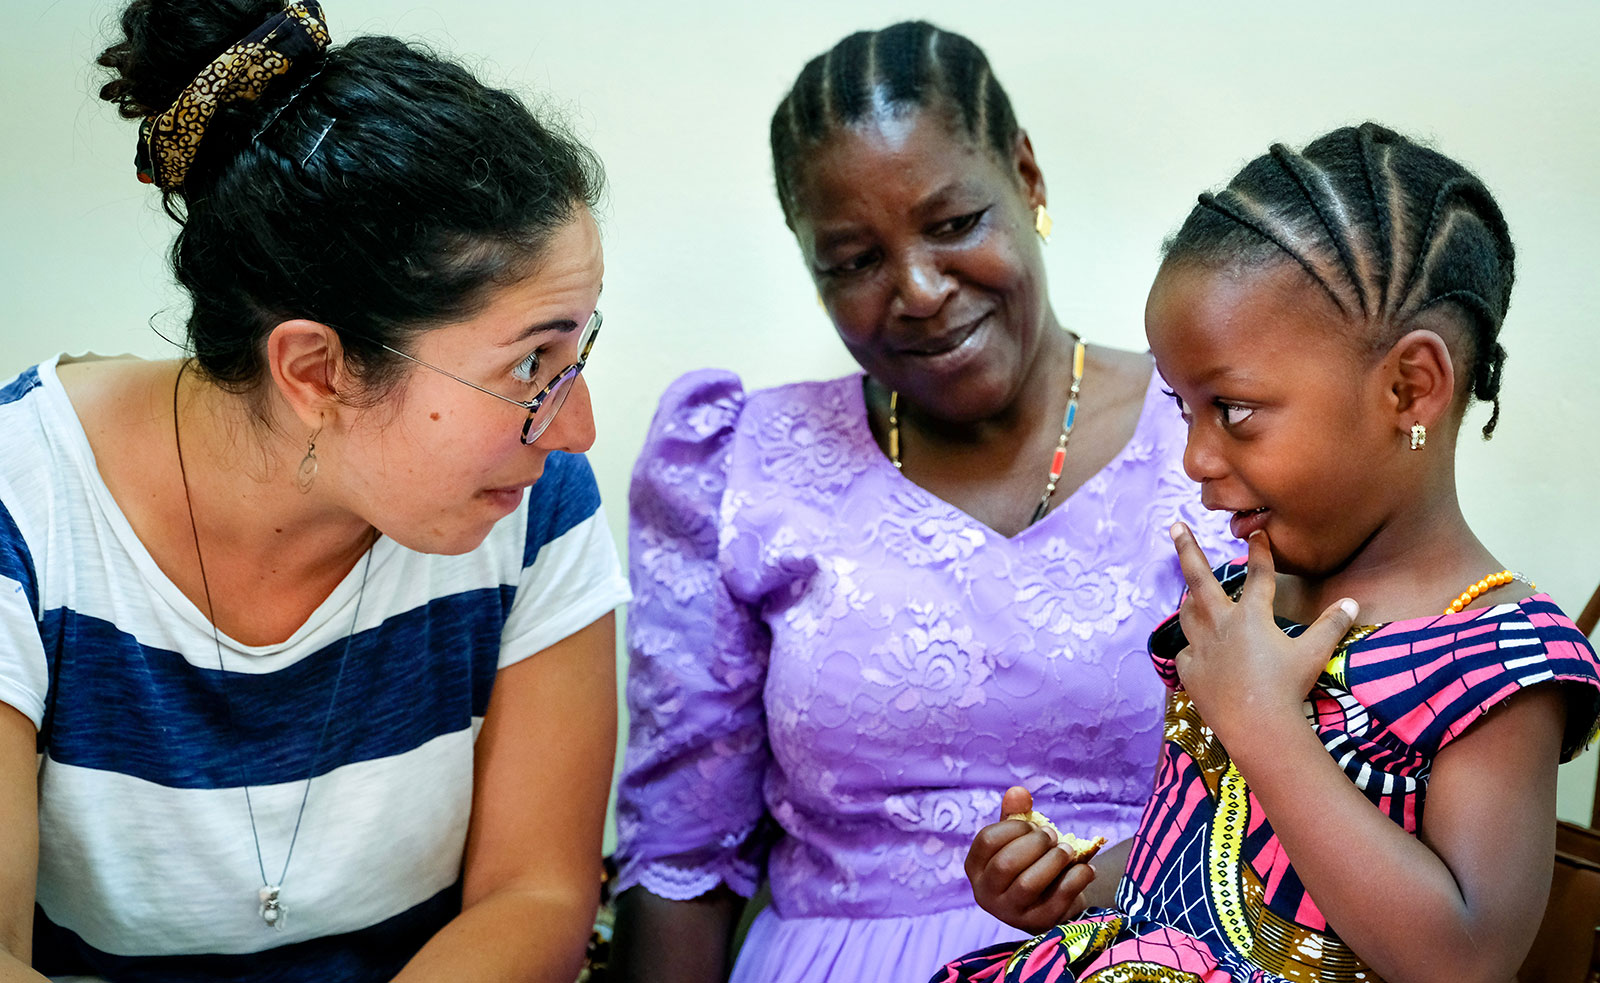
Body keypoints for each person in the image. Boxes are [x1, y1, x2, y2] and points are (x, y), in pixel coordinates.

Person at [0, 2, 628, 980]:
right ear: (316, 370)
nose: (575, 427)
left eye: (575, 349)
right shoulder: (25, 503)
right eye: (528, 363)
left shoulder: (531, 501)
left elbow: (537, 893)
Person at [610, 21, 1236, 983]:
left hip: (1162, 956)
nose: (918, 288)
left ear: (1027, 178)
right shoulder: (739, 467)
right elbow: (681, 856)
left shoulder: (1210, 432)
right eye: (853, 261)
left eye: (953, 224)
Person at [939, 123, 1600, 983]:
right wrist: (1070, 881)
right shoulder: (1242, 602)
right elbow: (1210, 865)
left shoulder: (1497, 657)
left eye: (1235, 409)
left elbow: (1464, 959)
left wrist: (1264, 723)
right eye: (1184, 408)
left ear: (1410, 389)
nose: (1195, 458)